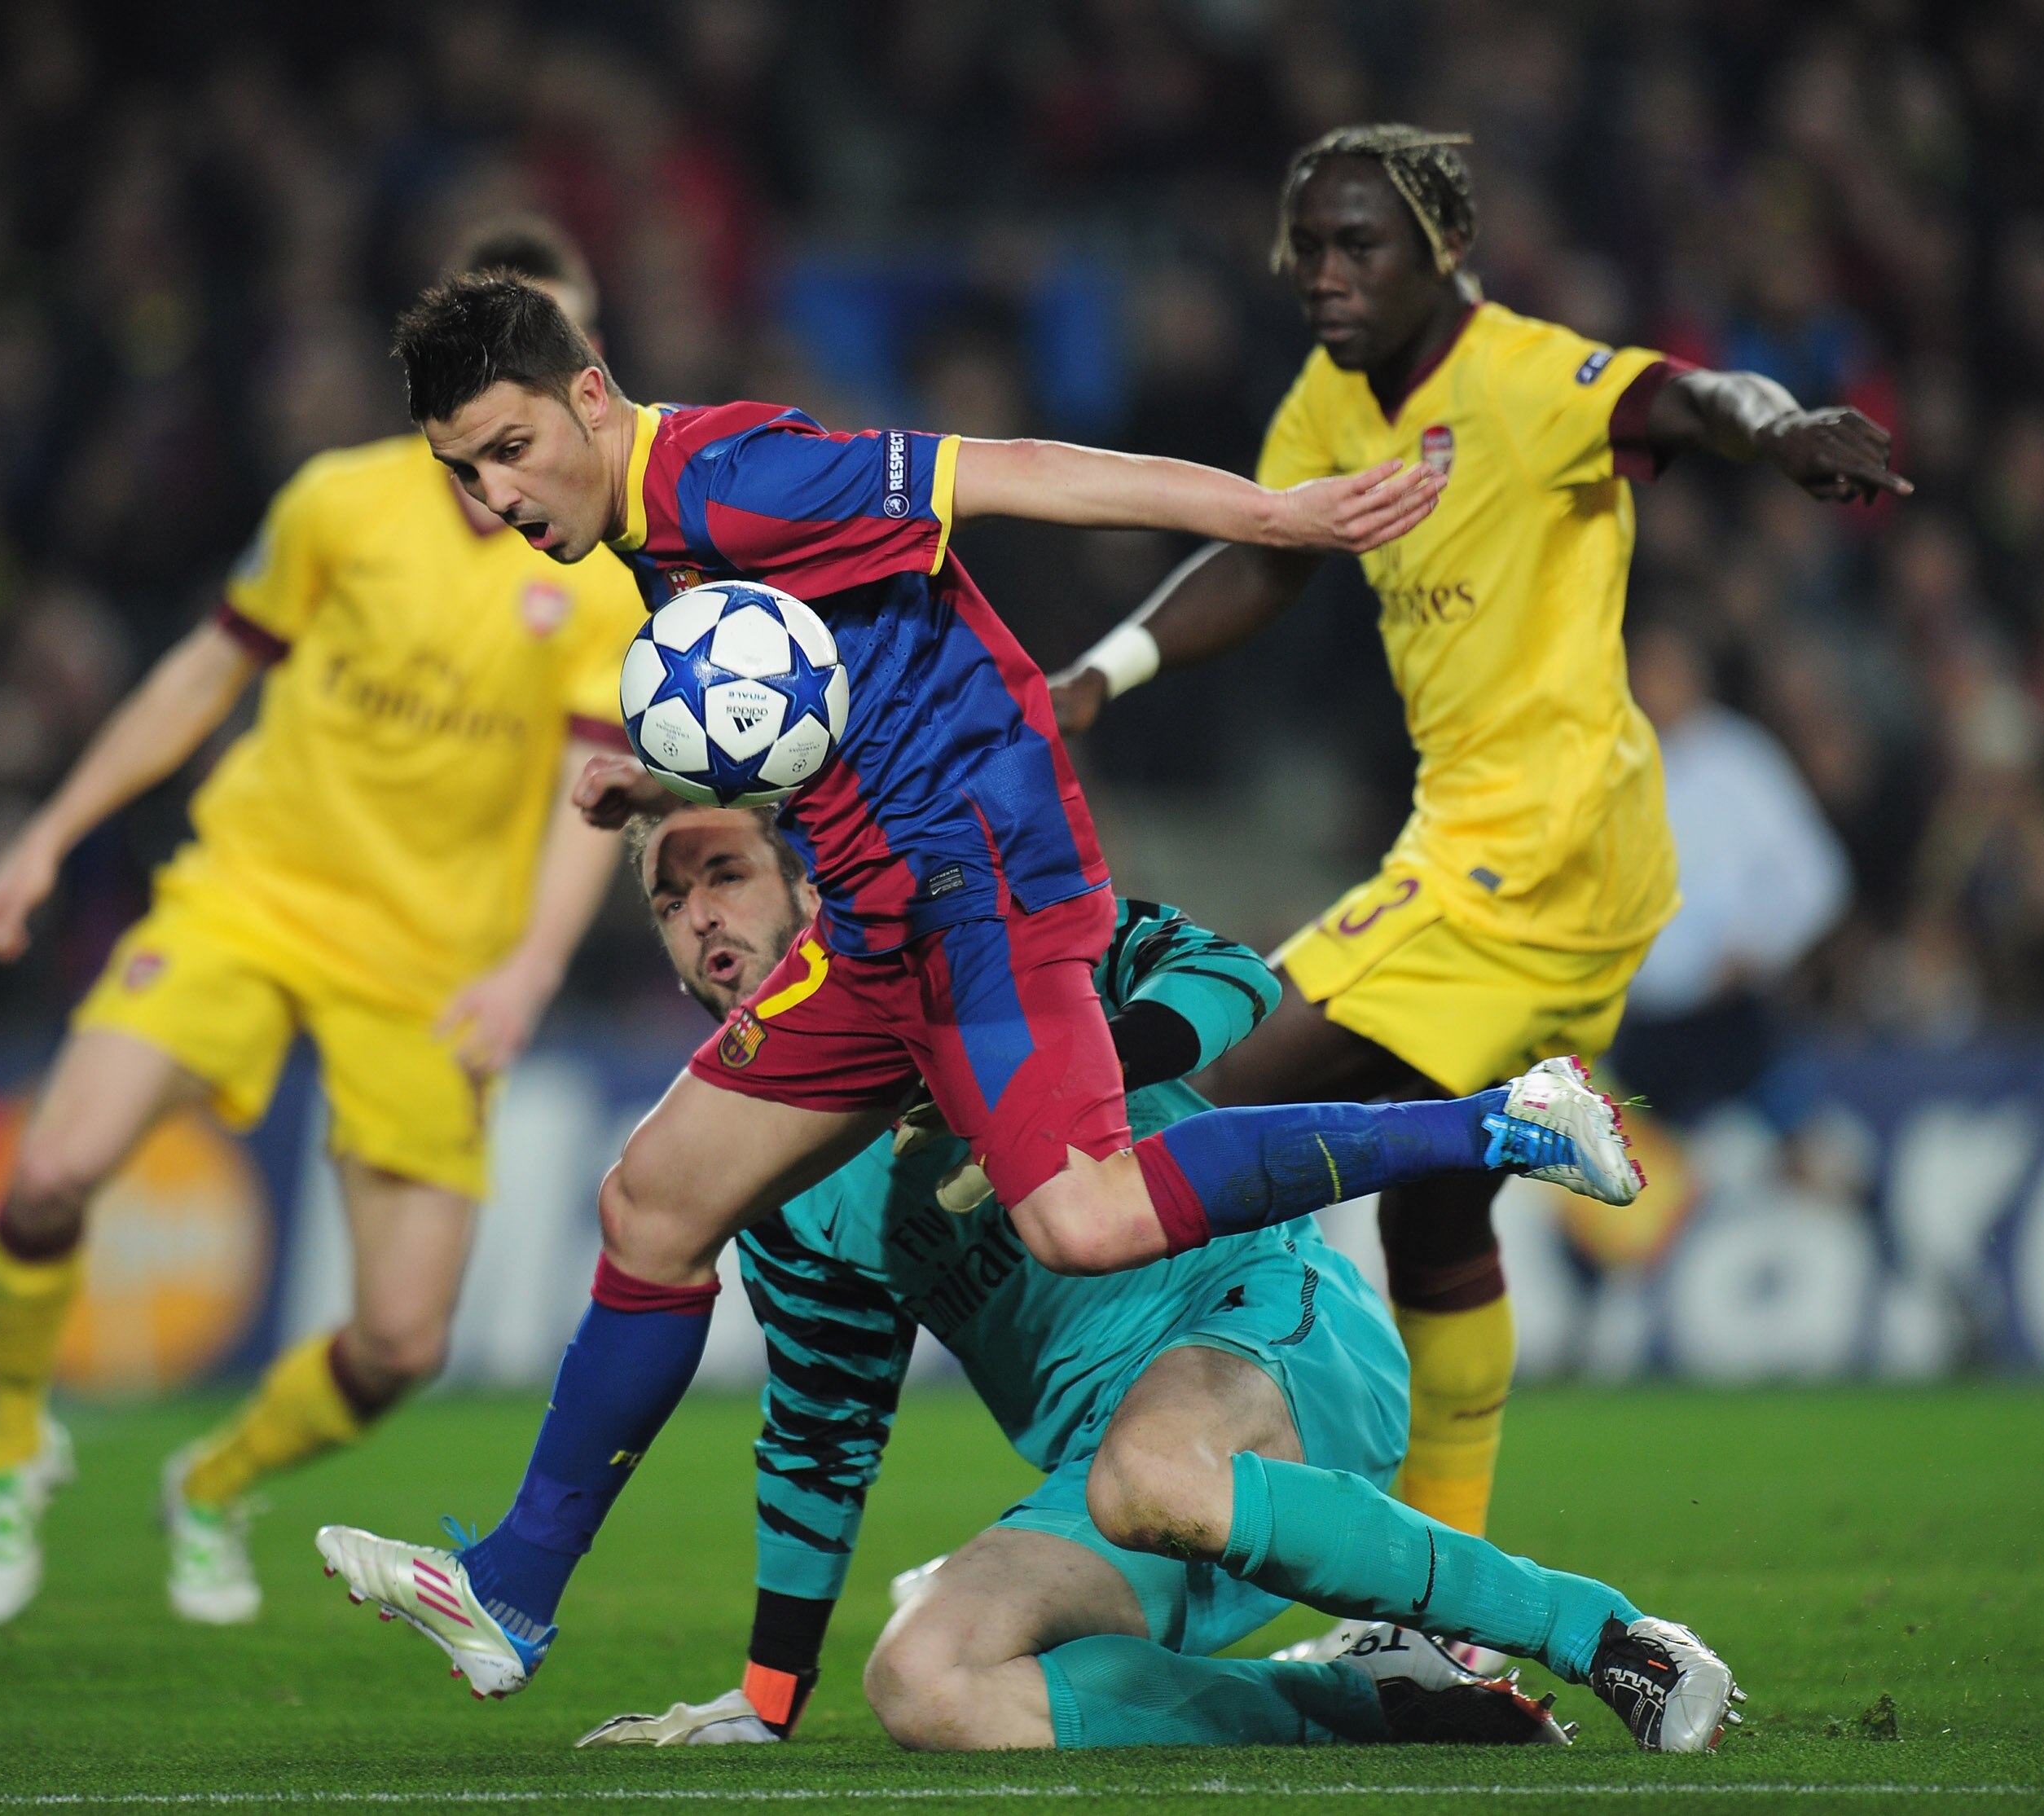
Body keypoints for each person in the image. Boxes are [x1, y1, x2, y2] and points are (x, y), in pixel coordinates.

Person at [310, 271, 1643, 1698]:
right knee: (652, 1201)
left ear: (588, 394)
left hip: (983, 884)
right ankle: (511, 1587)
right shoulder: (651, 523)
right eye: (465, 470)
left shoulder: (734, 476)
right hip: (876, 917)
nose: (496, 492)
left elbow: (1015, 472)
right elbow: (832, 689)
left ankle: (1507, 1118)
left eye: (511, 448)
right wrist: (663, 774)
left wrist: (1281, 515)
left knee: (1083, 1217)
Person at [1048, 125, 1910, 1545]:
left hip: (1536, 855)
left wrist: (1784, 427)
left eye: (1360, 245)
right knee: (1437, 1223)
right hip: (1510, 853)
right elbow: (1269, 549)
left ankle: (1175, 1478)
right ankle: (1451, 1607)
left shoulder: (1525, 376)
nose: (1325, 273)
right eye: (1309, 246)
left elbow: (1694, 395)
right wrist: (1102, 674)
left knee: (1201, 1084)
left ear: (1444, 249)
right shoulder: (1333, 399)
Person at [545, 804, 1743, 1755]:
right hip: (1120, 1481)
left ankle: (1603, 1633)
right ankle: (1371, 1704)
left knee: (1151, 1468)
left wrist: (1073, 1065)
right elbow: (820, 1439)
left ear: (809, 883)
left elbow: (1223, 970)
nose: (698, 915)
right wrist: (767, 1694)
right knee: (926, 1678)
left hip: (1274, 1330)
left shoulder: (972, 958)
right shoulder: (771, 1181)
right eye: (668, 898)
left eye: (724, 877)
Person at [0, 220, 642, 1629]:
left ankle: (212, 1479)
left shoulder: (592, 564)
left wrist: (528, 967)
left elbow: (590, 785)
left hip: (431, 963)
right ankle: (16, 1436)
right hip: (251, 896)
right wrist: (51, 830)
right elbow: (203, 672)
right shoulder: (339, 504)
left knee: (399, 1340)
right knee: (47, 1177)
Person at [1610, 622, 1850, 1126]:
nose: (1648, 684)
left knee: (1750, 1163)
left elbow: (1819, 878)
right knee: (1641, 1184)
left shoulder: (1741, 762)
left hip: (1725, 1022)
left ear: (1693, 676)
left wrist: (1761, 948)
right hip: (1640, 1027)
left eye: (1662, 671)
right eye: (1640, 671)